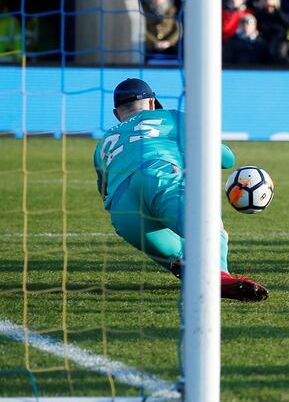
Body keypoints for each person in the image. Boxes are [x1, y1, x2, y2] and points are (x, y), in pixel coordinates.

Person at [93, 78, 268, 302]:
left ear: (117, 114)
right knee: (208, 228)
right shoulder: (171, 117)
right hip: (158, 176)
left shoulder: (104, 142)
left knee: (182, 257)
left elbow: (104, 190)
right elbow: (226, 158)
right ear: (152, 103)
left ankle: (190, 268)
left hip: (122, 211)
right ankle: (219, 276)